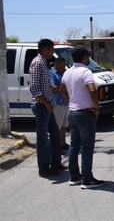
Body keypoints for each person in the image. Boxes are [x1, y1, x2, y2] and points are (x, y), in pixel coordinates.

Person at [60, 45, 104, 189]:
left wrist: (70, 101)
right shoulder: (86, 72)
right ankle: (87, 179)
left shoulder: (68, 72)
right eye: (88, 56)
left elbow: (62, 90)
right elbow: (92, 89)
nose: (88, 58)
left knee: (74, 145)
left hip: (73, 112)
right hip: (85, 113)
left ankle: (74, 177)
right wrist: (96, 107)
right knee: (87, 147)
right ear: (84, 57)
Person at [29, 38, 67, 178]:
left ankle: (56, 163)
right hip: (42, 106)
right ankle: (44, 169)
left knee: (55, 134)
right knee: (43, 139)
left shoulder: (44, 63)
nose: (52, 53)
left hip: (49, 105)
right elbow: (34, 88)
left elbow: (45, 86)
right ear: (45, 49)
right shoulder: (37, 63)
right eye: (51, 49)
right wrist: (46, 103)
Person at [50, 57, 69, 153]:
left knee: (64, 125)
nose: (63, 68)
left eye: (64, 66)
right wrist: (63, 88)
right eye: (61, 66)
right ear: (56, 65)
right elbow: (52, 88)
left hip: (65, 102)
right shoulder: (52, 74)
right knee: (57, 126)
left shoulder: (64, 73)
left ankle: (63, 143)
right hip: (57, 103)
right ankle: (56, 147)